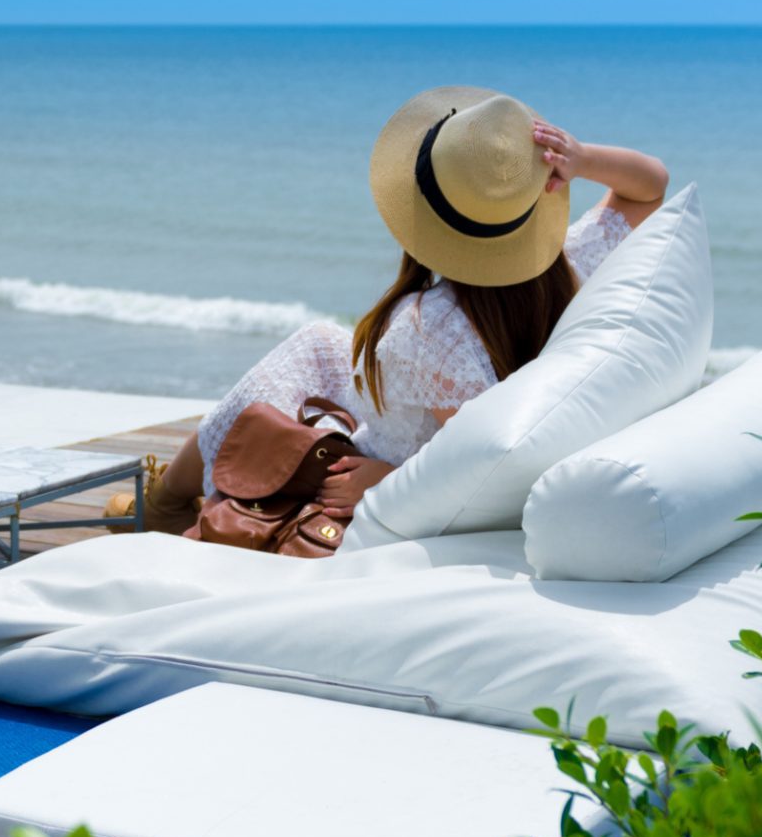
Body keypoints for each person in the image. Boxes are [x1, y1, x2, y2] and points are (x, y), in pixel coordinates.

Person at [112, 86, 671, 533]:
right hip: (407, 406)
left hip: (383, 459)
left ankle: (166, 503)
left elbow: (478, 468)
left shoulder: (426, 330)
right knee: (315, 345)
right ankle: (169, 496)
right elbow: (650, 186)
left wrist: (385, 480)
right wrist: (584, 157)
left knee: (275, 394)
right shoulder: (571, 262)